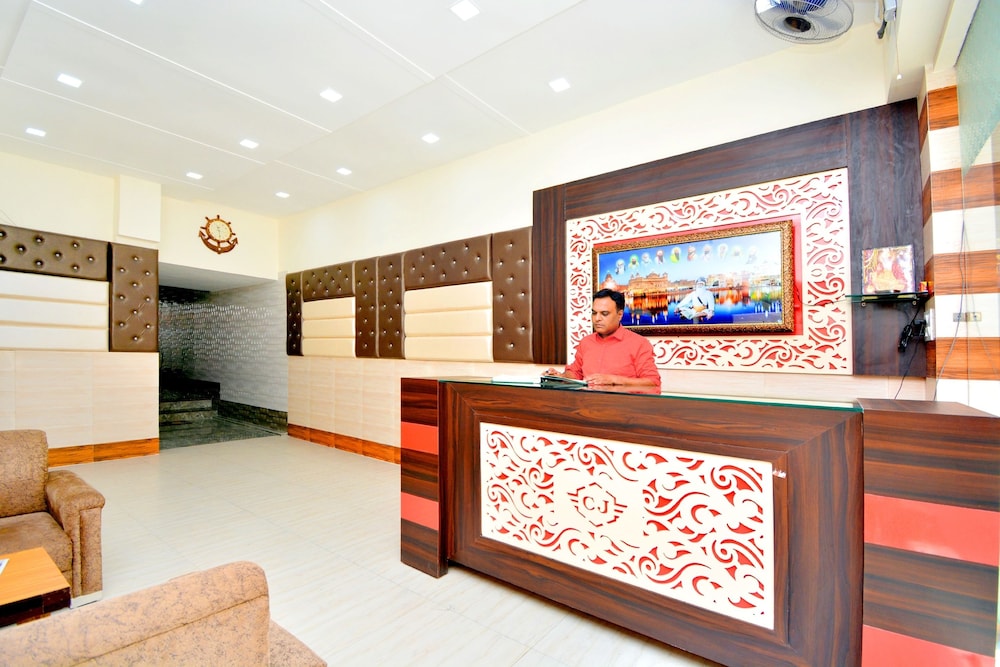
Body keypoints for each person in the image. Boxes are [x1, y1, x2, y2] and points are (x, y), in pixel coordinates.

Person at [545, 289, 661, 388]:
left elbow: (653, 382)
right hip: (587, 404)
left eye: (604, 313)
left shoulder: (639, 343)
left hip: (624, 406)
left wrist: (614, 380)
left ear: (620, 315)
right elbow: (576, 373)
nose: (597, 319)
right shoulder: (586, 342)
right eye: (594, 313)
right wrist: (560, 377)